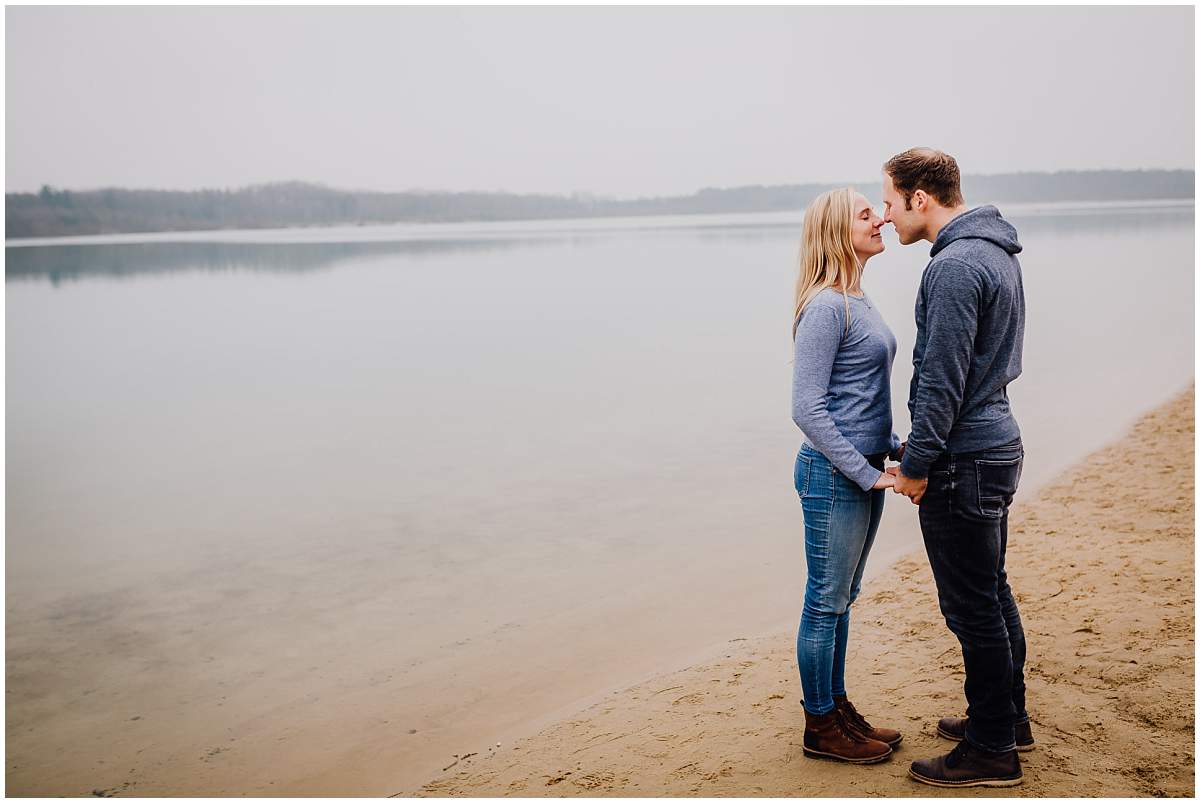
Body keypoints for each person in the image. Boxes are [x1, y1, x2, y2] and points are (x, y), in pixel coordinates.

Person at [881, 147, 1032, 788]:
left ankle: (993, 749)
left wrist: (915, 464)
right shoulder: (994, 252)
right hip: (994, 445)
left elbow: (940, 381)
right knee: (991, 593)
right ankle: (1006, 720)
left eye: (889, 202)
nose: (886, 218)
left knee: (972, 608)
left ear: (921, 198)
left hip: (964, 457)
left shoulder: (955, 267)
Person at [791, 187, 904, 764]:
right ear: (837, 232)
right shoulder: (825, 306)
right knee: (825, 602)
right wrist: (868, 472)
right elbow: (807, 408)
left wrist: (895, 448)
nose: (881, 217)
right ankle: (820, 726)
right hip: (834, 478)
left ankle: (837, 708)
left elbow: (857, 400)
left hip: (860, 472)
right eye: (867, 214)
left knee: (842, 599)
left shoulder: (856, 298)